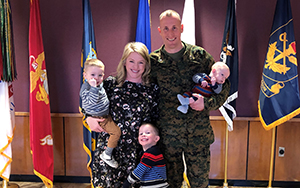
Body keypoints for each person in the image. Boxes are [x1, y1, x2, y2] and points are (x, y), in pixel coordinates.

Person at [149, 9, 230, 188]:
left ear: (182, 28)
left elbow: (224, 86)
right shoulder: (153, 62)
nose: (171, 33)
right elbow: (144, 95)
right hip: (168, 137)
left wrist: (207, 104)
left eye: (175, 28)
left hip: (197, 136)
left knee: (200, 184)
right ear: (159, 31)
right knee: (170, 184)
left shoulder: (200, 56)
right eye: (166, 28)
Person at [86, 42, 159, 188]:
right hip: (111, 151)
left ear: (146, 65)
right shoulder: (110, 84)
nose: (135, 66)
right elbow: (89, 101)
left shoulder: (152, 88)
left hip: (138, 151)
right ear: (124, 61)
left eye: (140, 62)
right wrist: (88, 117)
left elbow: (156, 118)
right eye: (131, 61)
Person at [80, 58, 121, 169]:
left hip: (105, 115)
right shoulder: (87, 88)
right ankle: (107, 154)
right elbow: (90, 102)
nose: (96, 78)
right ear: (85, 75)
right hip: (99, 118)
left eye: (100, 75)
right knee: (116, 133)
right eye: (93, 74)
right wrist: (94, 88)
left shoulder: (101, 85)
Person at [123, 123, 169, 188]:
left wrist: (129, 181)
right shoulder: (147, 153)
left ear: (156, 138)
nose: (143, 135)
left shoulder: (153, 152)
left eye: (147, 133)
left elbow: (141, 169)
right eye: (141, 134)